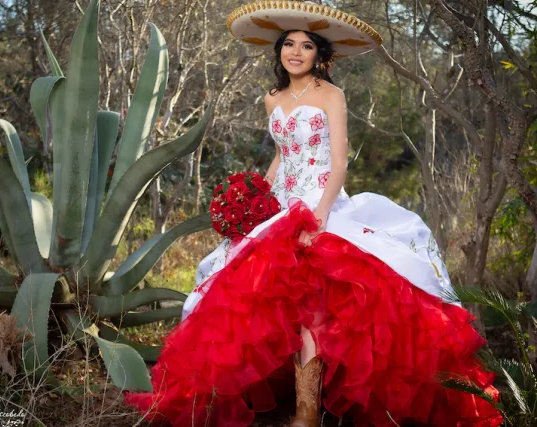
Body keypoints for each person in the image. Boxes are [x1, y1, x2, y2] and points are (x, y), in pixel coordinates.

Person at [125, 2, 503, 426]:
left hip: (322, 204)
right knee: (260, 303)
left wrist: (320, 216)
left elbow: (339, 163)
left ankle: (309, 413)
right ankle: (293, 403)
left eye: (306, 46)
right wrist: (254, 196)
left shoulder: (331, 94)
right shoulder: (272, 98)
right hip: (282, 206)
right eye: (289, 44)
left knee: (322, 305)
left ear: (320, 55)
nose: (296, 52)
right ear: (280, 52)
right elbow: (281, 156)